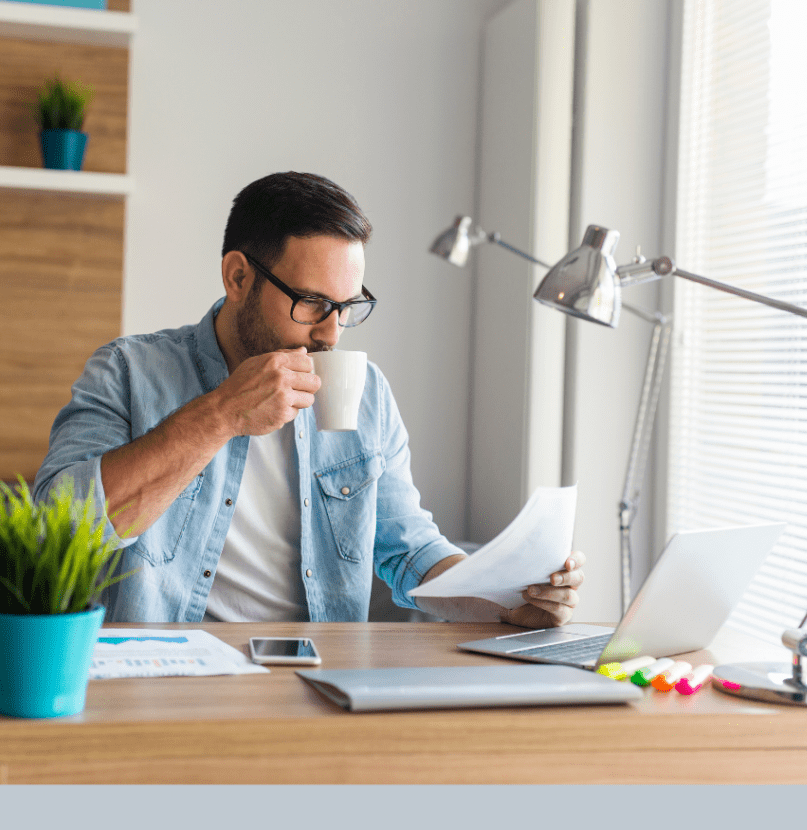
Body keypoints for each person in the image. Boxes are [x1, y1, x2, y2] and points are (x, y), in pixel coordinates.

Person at [34, 171, 585, 625]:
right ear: (238, 277)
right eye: (313, 303)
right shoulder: (129, 372)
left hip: (316, 679)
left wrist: (509, 601)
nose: (331, 333)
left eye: (348, 306)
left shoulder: (367, 395)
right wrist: (221, 414)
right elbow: (52, 535)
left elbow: (408, 550)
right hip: (166, 677)